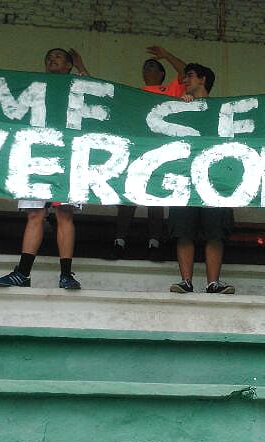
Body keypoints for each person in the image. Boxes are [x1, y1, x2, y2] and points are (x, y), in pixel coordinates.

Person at [0, 47, 89, 290]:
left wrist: (81, 67)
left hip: (66, 157)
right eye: (48, 57)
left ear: (69, 65)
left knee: (64, 214)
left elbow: (99, 95)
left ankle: (66, 274)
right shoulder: (34, 86)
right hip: (35, 155)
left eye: (58, 56)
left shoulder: (77, 86)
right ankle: (22, 273)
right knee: (35, 214)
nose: (51, 59)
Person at [110, 46, 186, 261]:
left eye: (153, 65)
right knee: (127, 197)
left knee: (155, 198)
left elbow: (184, 71)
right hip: (134, 150)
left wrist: (167, 55)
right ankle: (119, 241)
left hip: (159, 151)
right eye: (146, 66)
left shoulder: (169, 91)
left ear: (162, 74)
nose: (148, 68)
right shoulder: (134, 94)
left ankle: (154, 243)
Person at [168, 63, 235, 294]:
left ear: (203, 79)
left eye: (190, 76)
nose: (185, 80)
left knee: (216, 233)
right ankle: (186, 281)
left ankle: (212, 283)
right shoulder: (176, 108)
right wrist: (183, 108)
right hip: (184, 179)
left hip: (215, 181)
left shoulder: (221, 110)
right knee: (183, 232)